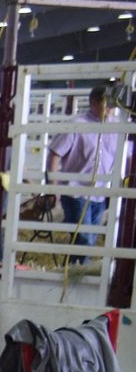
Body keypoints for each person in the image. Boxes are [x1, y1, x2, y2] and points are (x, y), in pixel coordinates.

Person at [43, 85, 127, 251]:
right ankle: (77, 271)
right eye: (107, 104)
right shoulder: (77, 125)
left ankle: (78, 270)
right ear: (94, 103)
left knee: (90, 239)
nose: (110, 109)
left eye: (112, 105)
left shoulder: (117, 127)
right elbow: (55, 153)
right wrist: (52, 187)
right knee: (85, 239)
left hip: (100, 193)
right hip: (75, 191)